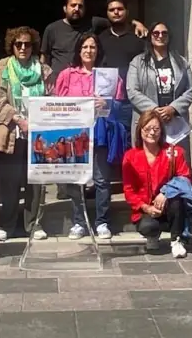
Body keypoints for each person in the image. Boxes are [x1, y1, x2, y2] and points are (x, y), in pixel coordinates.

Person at [54, 33, 125, 240]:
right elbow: (58, 104)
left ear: (98, 50)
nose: (88, 50)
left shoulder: (109, 76)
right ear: (78, 50)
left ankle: (102, 222)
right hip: (75, 134)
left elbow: (120, 104)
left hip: (100, 132)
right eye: (84, 47)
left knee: (102, 179)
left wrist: (107, 104)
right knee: (76, 179)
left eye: (92, 47)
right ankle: (79, 222)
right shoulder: (67, 75)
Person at [0, 27, 51, 241]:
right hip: (11, 135)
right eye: (19, 44)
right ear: (12, 47)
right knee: (10, 182)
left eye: (27, 44)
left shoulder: (44, 71)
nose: (23, 48)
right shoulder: (3, 69)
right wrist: (19, 120)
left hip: (38, 136)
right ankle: (6, 225)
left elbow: (51, 101)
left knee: (35, 184)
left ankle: (34, 225)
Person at [123, 111, 192, 258]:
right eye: (147, 129)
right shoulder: (130, 156)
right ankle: (152, 235)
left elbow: (185, 177)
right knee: (148, 226)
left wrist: (166, 193)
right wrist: (146, 207)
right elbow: (129, 191)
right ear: (140, 130)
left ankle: (176, 240)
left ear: (162, 130)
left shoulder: (174, 152)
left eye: (156, 129)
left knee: (177, 201)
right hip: (145, 208)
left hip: (170, 205)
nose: (152, 133)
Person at [41, 0, 145, 85]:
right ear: (65, 8)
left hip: (83, 83)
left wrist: (135, 23)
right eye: (73, 5)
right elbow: (44, 56)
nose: (76, 9)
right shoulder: (52, 29)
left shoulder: (92, 23)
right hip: (57, 82)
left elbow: (116, 19)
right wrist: (44, 77)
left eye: (80, 6)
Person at [127, 22, 192, 142]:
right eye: (156, 33)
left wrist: (172, 108)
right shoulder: (137, 62)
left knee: (174, 159)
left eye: (164, 33)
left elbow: (190, 90)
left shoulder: (182, 62)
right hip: (147, 121)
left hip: (175, 123)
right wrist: (154, 110)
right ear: (150, 36)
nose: (160, 36)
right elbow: (132, 91)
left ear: (169, 37)